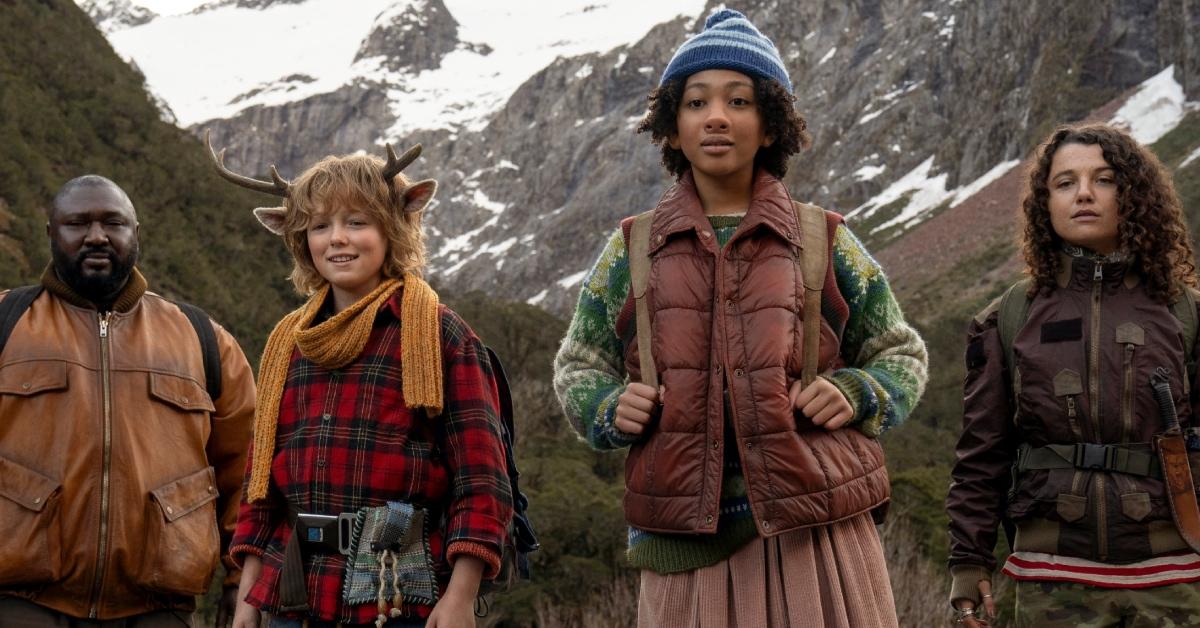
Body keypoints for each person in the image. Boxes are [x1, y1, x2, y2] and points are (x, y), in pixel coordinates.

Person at [553, 9, 928, 627]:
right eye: (697, 102)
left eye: (740, 101)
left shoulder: (823, 239)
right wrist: (604, 407)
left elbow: (901, 353)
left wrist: (861, 391)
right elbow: (577, 365)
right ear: (672, 128)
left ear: (770, 125)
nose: (717, 116)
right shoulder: (632, 248)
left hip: (814, 533)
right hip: (682, 543)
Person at [208, 139, 513, 628]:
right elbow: (261, 481)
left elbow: (481, 480)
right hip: (293, 590)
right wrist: (248, 589)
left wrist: (460, 597)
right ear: (297, 237)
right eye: (319, 225)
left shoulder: (441, 336)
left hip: (400, 592)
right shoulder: (290, 341)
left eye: (357, 222)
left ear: (395, 225)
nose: (337, 239)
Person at [945, 123, 1200, 627]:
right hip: (1052, 579)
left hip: (1174, 578)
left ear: (1134, 194)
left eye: (1104, 179)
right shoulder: (1011, 315)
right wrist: (969, 561)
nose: (1083, 193)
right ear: (1045, 202)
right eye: (1064, 183)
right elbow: (982, 455)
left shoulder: (1187, 313)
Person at [0, 175, 256, 626]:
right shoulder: (6, 323)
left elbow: (249, 474)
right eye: (77, 223)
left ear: (135, 234)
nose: (96, 236)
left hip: (160, 609)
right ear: (51, 234)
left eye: (113, 223)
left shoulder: (204, 340)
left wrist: (241, 583)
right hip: (20, 602)